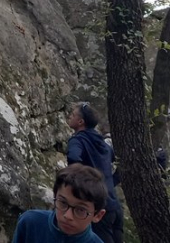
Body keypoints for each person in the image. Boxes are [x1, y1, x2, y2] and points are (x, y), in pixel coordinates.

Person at [67, 102, 123, 243]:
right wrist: (111, 182)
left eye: (73, 114)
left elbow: (74, 157)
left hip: (99, 208)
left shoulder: (77, 140)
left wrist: (83, 185)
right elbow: (121, 164)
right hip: (115, 206)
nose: (69, 116)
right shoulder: (103, 143)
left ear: (80, 122)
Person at [12, 164, 107, 243]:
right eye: (63, 203)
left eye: (80, 210)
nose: (68, 216)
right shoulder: (30, 223)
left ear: (98, 215)